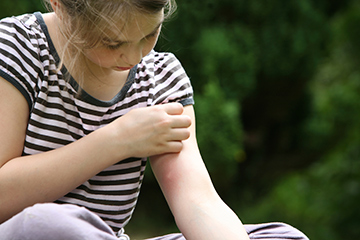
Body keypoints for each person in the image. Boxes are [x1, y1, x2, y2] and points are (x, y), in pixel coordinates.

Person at [0, 0, 309, 239]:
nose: (136, 56)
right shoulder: (17, 47)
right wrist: (116, 140)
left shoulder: (162, 79)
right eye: (112, 43)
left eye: (149, 33)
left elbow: (198, 200)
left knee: (283, 236)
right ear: (59, 5)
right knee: (47, 225)